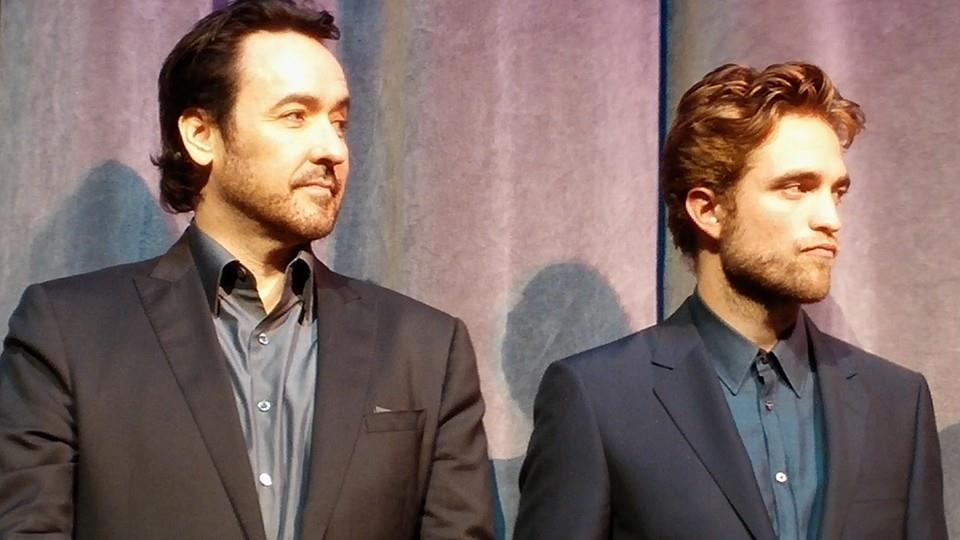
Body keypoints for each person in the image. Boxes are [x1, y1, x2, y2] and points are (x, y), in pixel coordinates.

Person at [0, 1, 494, 538]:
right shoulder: (69, 333)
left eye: (340, 122)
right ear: (201, 134)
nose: (331, 148)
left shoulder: (425, 349)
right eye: (295, 116)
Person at [515, 61, 947, 539]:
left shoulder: (896, 402)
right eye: (797, 188)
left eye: (836, 192)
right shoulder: (599, 399)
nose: (830, 218)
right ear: (709, 210)